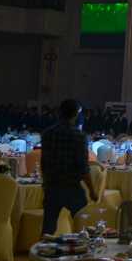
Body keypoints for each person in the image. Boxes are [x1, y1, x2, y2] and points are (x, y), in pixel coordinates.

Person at [40, 98, 96, 234]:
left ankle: (43, 253)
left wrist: (45, 182)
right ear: (76, 114)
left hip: (52, 186)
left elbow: (44, 163)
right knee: (83, 227)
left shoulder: (48, 133)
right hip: (72, 187)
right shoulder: (79, 136)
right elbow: (83, 167)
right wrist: (92, 190)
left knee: (48, 229)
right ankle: (81, 252)